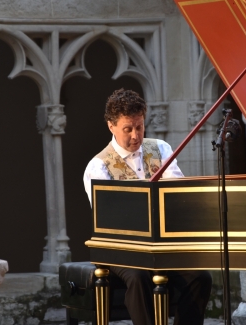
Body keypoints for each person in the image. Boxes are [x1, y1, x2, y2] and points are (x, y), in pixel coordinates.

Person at [83, 88, 212, 325]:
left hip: (161, 245)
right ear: (111, 126)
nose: (135, 135)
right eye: (128, 129)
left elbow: (177, 196)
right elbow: (108, 220)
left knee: (201, 277)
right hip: (122, 249)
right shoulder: (98, 167)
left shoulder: (161, 148)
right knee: (139, 276)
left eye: (139, 127)